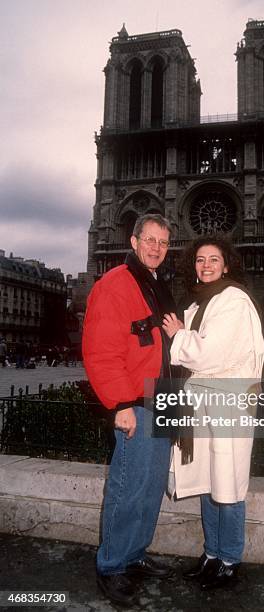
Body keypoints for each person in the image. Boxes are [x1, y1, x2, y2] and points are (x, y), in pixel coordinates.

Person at [162, 236, 264, 590]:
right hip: (205, 403)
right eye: (200, 259)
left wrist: (178, 334)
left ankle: (230, 559)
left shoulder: (233, 300)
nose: (205, 265)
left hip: (227, 405)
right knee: (210, 480)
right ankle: (212, 554)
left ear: (226, 265)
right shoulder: (199, 303)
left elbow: (210, 354)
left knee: (230, 483)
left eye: (213, 260)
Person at [82, 214, 176, 607]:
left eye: (163, 242)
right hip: (135, 403)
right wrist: (120, 404)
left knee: (150, 487)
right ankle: (112, 565)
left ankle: (134, 553)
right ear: (134, 241)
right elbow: (101, 351)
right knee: (128, 485)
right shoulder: (115, 284)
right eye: (149, 240)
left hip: (162, 398)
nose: (155, 247)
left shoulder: (155, 284)